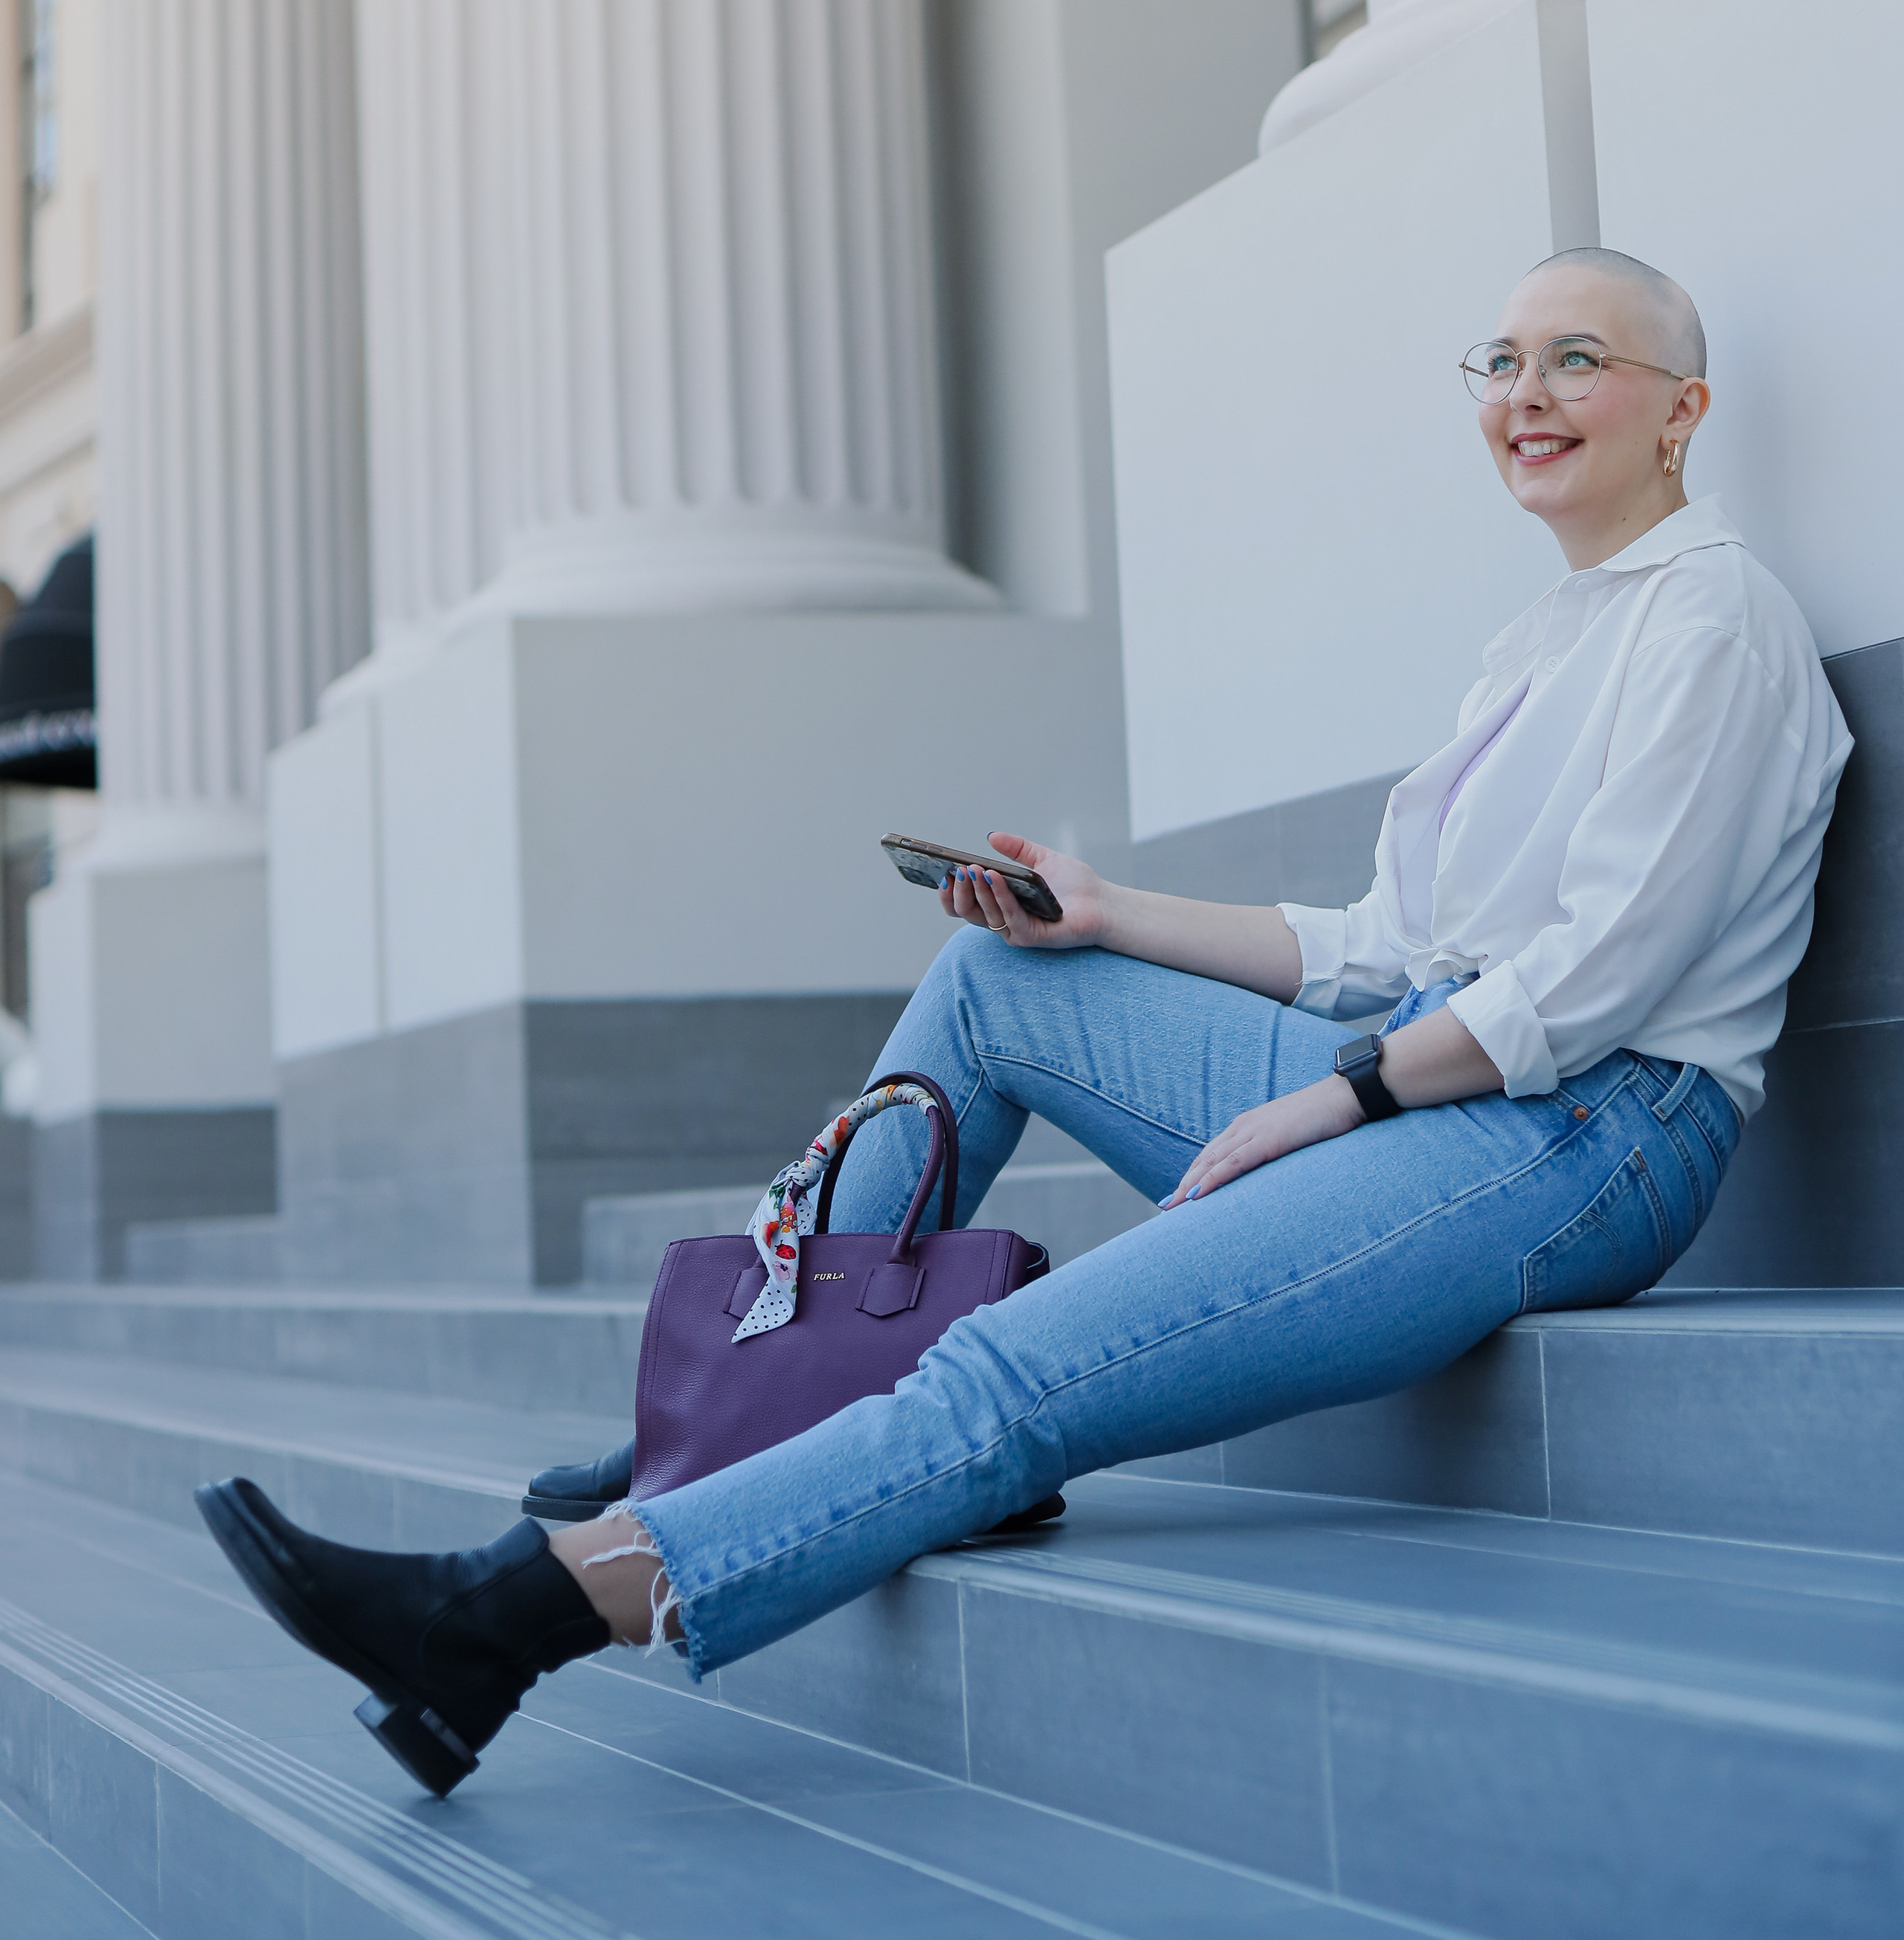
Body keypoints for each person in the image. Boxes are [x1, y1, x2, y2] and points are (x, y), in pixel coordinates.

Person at [197, 246, 1851, 1797]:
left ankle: (497, 1625)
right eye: (1499, 362)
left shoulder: (1713, 621)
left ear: (1680, 411)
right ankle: (744, 1408)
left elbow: (1593, 981)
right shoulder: (1542, 640)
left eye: (1578, 360)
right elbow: (1385, 947)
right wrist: (1106, 912)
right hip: (1442, 1071)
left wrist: (1337, 1100)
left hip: (1584, 1132)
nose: (1527, 394)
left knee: (1003, 1368)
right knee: (998, 982)